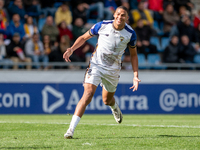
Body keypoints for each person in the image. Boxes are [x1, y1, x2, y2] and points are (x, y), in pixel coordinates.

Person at [63, 6, 141, 139]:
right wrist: (71, 49)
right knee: (87, 94)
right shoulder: (102, 26)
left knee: (107, 100)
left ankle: (114, 107)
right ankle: (70, 130)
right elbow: (83, 37)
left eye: (123, 15)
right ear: (114, 15)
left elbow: (133, 55)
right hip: (96, 65)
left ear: (127, 18)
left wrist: (135, 75)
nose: (119, 17)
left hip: (113, 70)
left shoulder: (130, 33)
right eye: (117, 14)